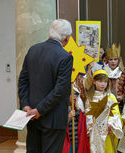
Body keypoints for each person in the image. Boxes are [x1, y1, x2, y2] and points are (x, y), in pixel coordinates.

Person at [18, 19, 73, 153]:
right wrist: (40, 110)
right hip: (53, 118)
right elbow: (60, 90)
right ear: (67, 38)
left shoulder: (33, 50)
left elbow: (23, 81)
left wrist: (26, 105)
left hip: (31, 116)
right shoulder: (65, 57)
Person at [85, 69, 123, 153]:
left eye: (105, 82)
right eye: (100, 81)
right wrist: (90, 127)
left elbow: (116, 114)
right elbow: (88, 114)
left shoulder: (110, 97)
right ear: (94, 81)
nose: (103, 84)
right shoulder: (89, 98)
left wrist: (110, 123)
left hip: (106, 131)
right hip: (94, 132)